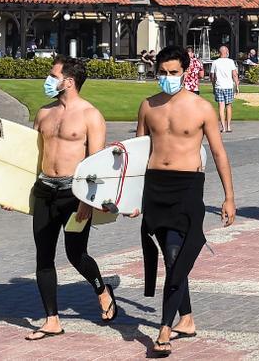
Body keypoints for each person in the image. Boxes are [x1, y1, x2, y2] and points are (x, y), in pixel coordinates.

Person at [137, 46, 235, 357]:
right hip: (155, 188)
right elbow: (138, 153)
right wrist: (129, 198)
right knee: (170, 257)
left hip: (187, 187)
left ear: (185, 73)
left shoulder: (202, 108)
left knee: (178, 256)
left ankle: (165, 327)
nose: (167, 78)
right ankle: (187, 319)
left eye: (173, 73)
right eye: (162, 73)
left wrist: (229, 197)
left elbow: (219, 153)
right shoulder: (148, 106)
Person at [23, 57, 116, 340]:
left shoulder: (91, 116)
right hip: (44, 191)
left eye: (53, 75)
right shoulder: (43, 113)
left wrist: (88, 200)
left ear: (69, 81)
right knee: (43, 256)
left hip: (73, 194)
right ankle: (52, 320)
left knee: (76, 254)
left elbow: (96, 163)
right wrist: (12, 193)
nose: (48, 79)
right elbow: (31, 157)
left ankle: (102, 289)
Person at [209, 46, 239, 133]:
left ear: (219, 52)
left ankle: (223, 127)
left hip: (219, 86)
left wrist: (213, 85)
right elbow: (234, 74)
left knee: (221, 106)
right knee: (228, 106)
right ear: (227, 52)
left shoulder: (215, 62)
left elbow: (212, 76)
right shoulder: (230, 62)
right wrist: (237, 85)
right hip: (228, 86)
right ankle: (228, 126)